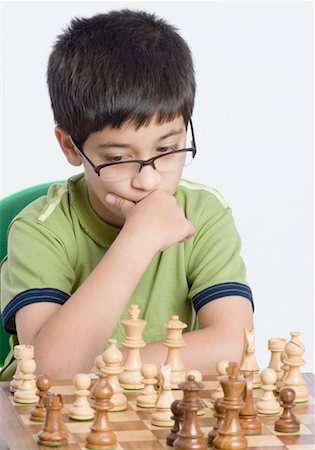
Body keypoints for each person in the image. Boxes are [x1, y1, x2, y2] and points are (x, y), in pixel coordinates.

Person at [0, 9, 254, 380]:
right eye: (118, 158)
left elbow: (234, 346)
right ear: (71, 147)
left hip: (154, 417)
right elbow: (50, 374)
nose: (148, 181)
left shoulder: (205, 212)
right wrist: (138, 239)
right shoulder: (39, 230)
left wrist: (97, 367)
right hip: (46, 427)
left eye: (168, 150)